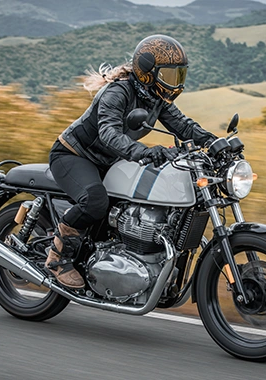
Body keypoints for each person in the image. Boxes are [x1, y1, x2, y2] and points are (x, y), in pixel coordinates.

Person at [45, 34, 217, 288]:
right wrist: (144, 152)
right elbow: (108, 133)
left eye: (178, 75)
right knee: (95, 202)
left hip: (111, 161)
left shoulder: (156, 98)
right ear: (148, 72)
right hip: (74, 155)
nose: (175, 83)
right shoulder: (118, 92)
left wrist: (215, 142)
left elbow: (182, 125)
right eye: (169, 75)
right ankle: (57, 259)